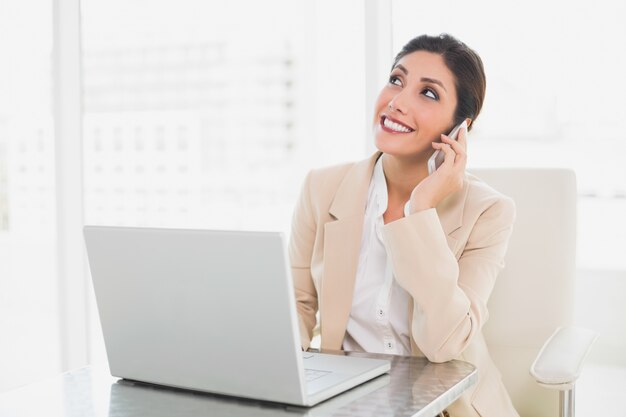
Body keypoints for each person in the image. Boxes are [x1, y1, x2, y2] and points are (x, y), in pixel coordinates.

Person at [288, 34, 519, 417]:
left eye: (428, 94)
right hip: (346, 404)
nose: (397, 101)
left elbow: (443, 343)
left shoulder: (489, 211)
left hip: (447, 408)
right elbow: (297, 303)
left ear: (461, 126)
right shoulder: (321, 187)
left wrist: (421, 210)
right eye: (396, 79)